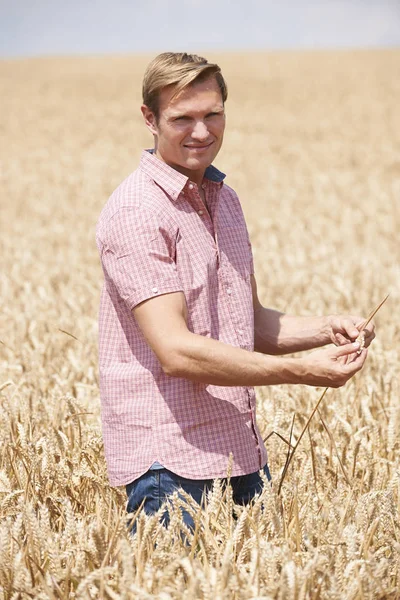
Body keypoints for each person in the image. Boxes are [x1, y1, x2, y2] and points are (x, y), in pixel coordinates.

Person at [96, 52, 374, 530]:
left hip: (241, 452)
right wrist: (302, 373)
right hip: (170, 465)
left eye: (213, 114)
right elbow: (176, 351)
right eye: (182, 118)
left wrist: (329, 329)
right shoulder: (137, 212)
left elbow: (251, 322)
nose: (201, 132)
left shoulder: (224, 200)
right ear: (150, 118)